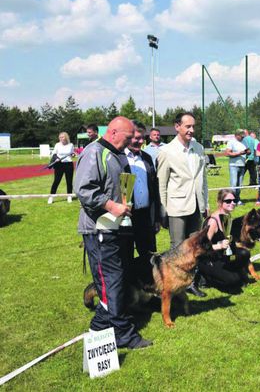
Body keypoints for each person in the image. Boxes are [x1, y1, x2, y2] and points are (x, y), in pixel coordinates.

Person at [74, 116, 152, 349]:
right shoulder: (94, 152)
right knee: (111, 281)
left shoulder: (117, 155)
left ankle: (103, 326)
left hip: (116, 229)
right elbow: (84, 190)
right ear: (114, 132)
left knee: (117, 278)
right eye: (128, 138)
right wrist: (111, 206)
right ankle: (120, 332)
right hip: (99, 230)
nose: (130, 143)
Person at [157, 112, 209, 297]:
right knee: (178, 248)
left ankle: (192, 283)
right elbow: (161, 184)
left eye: (193, 126)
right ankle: (175, 287)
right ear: (177, 126)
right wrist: (163, 209)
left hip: (197, 206)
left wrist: (206, 203)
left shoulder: (199, 148)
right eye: (188, 126)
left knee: (196, 247)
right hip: (176, 207)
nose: (191, 130)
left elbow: (203, 179)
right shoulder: (166, 152)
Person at [125, 122, 161, 266]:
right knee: (126, 255)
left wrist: (156, 217)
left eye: (143, 138)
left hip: (146, 217)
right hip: (126, 216)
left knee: (149, 256)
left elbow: (154, 189)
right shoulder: (117, 157)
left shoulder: (146, 158)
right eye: (137, 138)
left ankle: (149, 285)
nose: (141, 142)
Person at [198, 189, 245, 289]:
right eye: (228, 201)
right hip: (209, 259)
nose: (232, 203)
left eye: (234, 200)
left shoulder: (227, 216)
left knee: (244, 255)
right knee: (233, 281)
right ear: (220, 202)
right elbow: (202, 247)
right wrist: (219, 245)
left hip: (222, 256)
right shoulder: (213, 222)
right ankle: (205, 277)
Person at [48, 132, 75, 204]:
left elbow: (72, 153)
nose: (61, 138)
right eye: (60, 137)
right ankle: (51, 197)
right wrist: (56, 158)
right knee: (56, 181)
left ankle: (69, 196)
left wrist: (73, 154)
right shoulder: (57, 145)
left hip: (68, 164)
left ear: (66, 137)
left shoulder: (71, 145)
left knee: (69, 181)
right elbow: (53, 153)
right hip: (59, 164)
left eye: (62, 137)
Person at [224, 129, 249, 205]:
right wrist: (239, 153)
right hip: (234, 166)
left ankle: (238, 200)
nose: (242, 138)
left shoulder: (244, 141)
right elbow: (227, 153)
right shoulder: (231, 142)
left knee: (240, 185)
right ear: (236, 135)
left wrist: (248, 151)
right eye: (241, 136)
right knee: (234, 184)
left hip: (242, 165)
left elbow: (248, 150)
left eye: (243, 136)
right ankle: (232, 201)